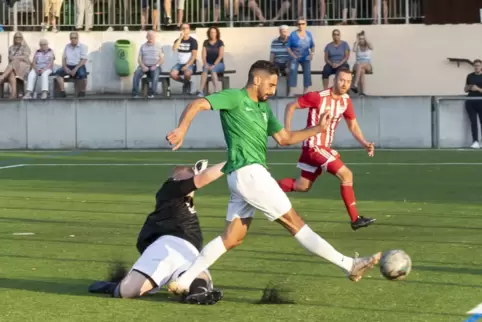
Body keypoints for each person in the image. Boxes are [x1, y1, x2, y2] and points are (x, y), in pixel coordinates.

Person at [166, 60, 381, 295]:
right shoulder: (235, 97)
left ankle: (184, 280)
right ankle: (349, 265)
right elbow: (198, 103)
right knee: (294, 221)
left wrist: (317, 130)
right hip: (249, 174)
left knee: (232, 237)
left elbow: (285, 138)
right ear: (257, 80)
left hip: (244, 177)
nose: (272, 90)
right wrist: (182, 130)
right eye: (270, 84)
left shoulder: (264, 108)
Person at [88, 160, 225, 304]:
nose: (187, 180)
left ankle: (199, 294)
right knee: (127, 291)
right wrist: (231, 163)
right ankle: (115, 287)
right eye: (182, 177)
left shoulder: (184, 198)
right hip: (164, 246)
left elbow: (196, 184)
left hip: (186, 249)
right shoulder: (170, 188)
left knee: (196, 275)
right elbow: (201, 180)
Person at [277, 68, 376, 230]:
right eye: (342, 80)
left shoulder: (346, 101)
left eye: (348, 81)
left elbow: (352, 124)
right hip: (314, 147)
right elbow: (291, 106)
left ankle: (267, 188)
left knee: (302, 186)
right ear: (334, 80)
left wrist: (364, 142)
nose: (345, 84)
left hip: (320, 149)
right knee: (346, 174)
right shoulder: (318, 97)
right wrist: (287, 131)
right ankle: (355, 219)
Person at [0, 32, 31, 99]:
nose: (18, 38)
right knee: (11, 73)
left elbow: (25, 58)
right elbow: (10, 58)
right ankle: (13, 94)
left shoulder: (25, 47)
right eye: (16, 37)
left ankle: (2, 77)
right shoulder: (11, 48)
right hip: (13, 67)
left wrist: (16, 58)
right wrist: (18, 58)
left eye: (19, 37)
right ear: (14, 38)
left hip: (24, 66)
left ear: (22, 38)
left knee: (15, 61)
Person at [197, 26, 225, 97]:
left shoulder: (220, 42)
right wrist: (205, 64)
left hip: (219, 64)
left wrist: (214, 65)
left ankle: (217, 90)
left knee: (213, 69)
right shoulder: (206, 42)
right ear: (209, 33)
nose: (213, 34)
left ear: (217, 33)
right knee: (204, 70)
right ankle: (200, 91)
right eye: (211, 32)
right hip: (208, 63)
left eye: (214, 32)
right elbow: (203, 55)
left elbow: (220, 55)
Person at [464, 59, 482, 149]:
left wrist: (478, 89)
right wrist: (469, 88)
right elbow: (465, 89)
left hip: (481, 102)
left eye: (478, 65)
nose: (476, 67)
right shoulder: (470, 76)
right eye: (475, 65)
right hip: (470, 102)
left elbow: (479, 89)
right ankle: (475, 141)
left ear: (481, 66)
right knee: (473, 122)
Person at [351, 30, 373, 95]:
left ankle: (355, 85)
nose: (361, 40)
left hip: (367, 64)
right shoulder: (356, 44)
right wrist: (357, 41)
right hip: (357, 64)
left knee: (361, 66)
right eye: (360, 39)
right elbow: (354, 50)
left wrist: (366, 39)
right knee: (362, 70)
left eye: (363, 39)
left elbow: (372, 47)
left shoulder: (368, 44)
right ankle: (363, 92)